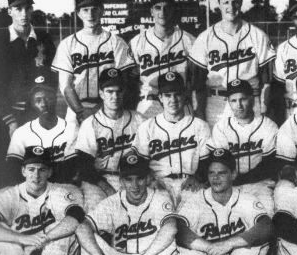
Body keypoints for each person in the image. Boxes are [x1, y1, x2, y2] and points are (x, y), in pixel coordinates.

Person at [0, 146, 85, 255]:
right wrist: (24, 239)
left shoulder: (58, 191)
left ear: (50, 172)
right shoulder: (8, 196)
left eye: (42, 169)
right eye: (31, 169)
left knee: (69, 231)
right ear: (23, 171)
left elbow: (76, 216)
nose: (36, 175)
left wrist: (47, 238)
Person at [75, 154, 178, 255]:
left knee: (170, 244)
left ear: (147, 178)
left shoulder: (160, 199)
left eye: (139, 178)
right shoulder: (112, 202)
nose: (135, 185)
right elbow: (82, 228)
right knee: (86, 238)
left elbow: (171, 228)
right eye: (129, 179)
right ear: (121, 181)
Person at [175, 148, 272, 255]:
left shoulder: (246, 199)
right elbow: (179, 229)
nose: (215, 178)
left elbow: (267, 226)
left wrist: (228, 244)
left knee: (256, 244)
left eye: (222, 173)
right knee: (184, 247)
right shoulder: (196, 200)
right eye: (211, 173)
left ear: (233, 174)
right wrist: (212, 248)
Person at [188, 0, 276, 127]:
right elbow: (197, 84)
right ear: (219, 4)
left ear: (241, 2)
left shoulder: (257, 35)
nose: (230, 6)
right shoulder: (205, 38)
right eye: (226, 2)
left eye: (235, 1)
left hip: (249, 102)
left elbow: (267, 81)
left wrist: (264, 108)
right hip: (216, 105)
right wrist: (199, 113)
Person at [52, 0, 134, 128]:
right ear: (78, 13)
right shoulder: (67, 44)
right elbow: (65, 85)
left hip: (110, 107)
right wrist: (80, 112)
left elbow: (123, 81)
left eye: (94, 9)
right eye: (85, 9)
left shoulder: (116, 42)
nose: (90, 14)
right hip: (76, 110)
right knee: (73, 147)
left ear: (101, 11)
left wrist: (99, 110)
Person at [132, 71, 211, 206]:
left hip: (190, 185)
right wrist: (151, 180)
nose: (173, 100)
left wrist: (198, 178)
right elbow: (139, 163)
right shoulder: (147, 127)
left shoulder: (200, 125)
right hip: (159, 185)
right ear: (160, 98)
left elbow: (207, 161)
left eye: (177, 94)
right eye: (167, 95)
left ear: (184, 95)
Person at [0, 0, 56, 135]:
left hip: (40, 114)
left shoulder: (44, 38)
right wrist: (10, 120)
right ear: (9, 11)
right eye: (18, 8)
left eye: (27, 8)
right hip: (8, 117)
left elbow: (53, 76)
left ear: (32, 10)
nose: (23, 13)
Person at [208, 79, 279, 215]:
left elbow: (269, 165)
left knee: (264, 215)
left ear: (252, 99)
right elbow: (220, 163)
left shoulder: (268, 126)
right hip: (230, 186)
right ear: (228, 102)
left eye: (243, 99)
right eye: (233, 101)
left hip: (260, 184)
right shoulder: (221, 127)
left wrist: (239, 180)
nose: (239, 105)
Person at [129, 0, 196, 119]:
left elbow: (196, 79)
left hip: (179, 103)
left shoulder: (188, 40)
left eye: (167, 7)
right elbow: (130, 81)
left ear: (173, 9)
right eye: (158, 7)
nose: (162, 12)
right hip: (149, 103)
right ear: (151, 11)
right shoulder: (137, 42)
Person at [75, 68, 144, 194]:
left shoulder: (138, 119)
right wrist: (106, 187)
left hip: (131, 178)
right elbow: (84, 165)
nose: (115, 96)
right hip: (99, 179)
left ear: (124, 92)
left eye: (119, 91)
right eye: (109, 91)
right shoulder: (90, 124)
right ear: (101, 93)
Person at [6, 69, 77, 184]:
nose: (43, 104)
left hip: (63, 187)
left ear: (55, 99)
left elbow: (73, 168)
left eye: (48, 98)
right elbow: (13, 168)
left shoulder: (71, 129)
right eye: (38, 100)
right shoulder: (21, 133)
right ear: (32, 104)